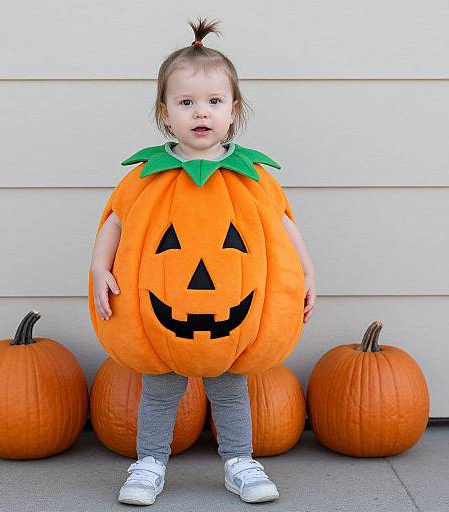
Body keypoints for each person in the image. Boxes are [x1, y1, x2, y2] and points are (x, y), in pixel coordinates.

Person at [89, 16, 316, 506]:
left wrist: (307, 272)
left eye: (214, 102)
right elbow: (115, 222)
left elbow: (281, 225)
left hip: (232, 314)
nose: (201, 112)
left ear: (233, 111)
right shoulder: (145, 177)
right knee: (158, 393)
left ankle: (239, 462)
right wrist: (100, 269)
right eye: (186, 102)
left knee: (230, 392)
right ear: (165, 113)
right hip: (160, 314)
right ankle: (149, 462)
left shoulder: (252, 177)